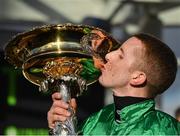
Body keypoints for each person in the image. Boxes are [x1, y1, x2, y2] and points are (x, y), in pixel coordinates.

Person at [47, 33, 180, 135]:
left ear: (137, 77)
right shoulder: (94, 121)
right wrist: (59, 129)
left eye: (121, 55)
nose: (108, 55)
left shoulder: (166, 131)